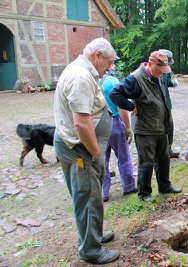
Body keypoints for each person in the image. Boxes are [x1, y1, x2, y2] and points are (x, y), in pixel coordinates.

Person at [53, 37, 119, 264]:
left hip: (83, 148)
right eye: (109, 62)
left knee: (91, 196)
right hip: (81, 150)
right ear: (97, 56)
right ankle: (91, 250)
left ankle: (95, 235)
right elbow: (81, 123)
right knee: (88, 197)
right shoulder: (81, 76)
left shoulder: (84, 71)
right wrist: (95, 153)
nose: (111, 68)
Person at [109, 51, 182, 202]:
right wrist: (130, 106)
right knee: (146, 162)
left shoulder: (159, 75)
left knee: (163, 159)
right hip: (145, 128)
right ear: (150, 64)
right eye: (159, 70)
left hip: (160, 125)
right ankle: (144, 193)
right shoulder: (135, 79)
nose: (161, 73)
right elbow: (114, 93)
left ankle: (165, 187)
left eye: (163, 70)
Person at [100, 57, 138, 202]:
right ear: (110, 65)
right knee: (123, 156)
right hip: (115, 122)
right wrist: (128, 127)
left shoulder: (93, 81)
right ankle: (128, 186)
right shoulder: (113, 82)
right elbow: (122, 108)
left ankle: (104, 191)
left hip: (99, 124)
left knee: (103, 159)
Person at [159, 49, 180, 158]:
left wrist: (173, 83)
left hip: (167, 103)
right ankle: (161, 151)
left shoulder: (167, 69)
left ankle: (169, 148)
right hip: (158, 105)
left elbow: (167, 83)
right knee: (159, 129)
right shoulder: (155, 70)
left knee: (169, 126)